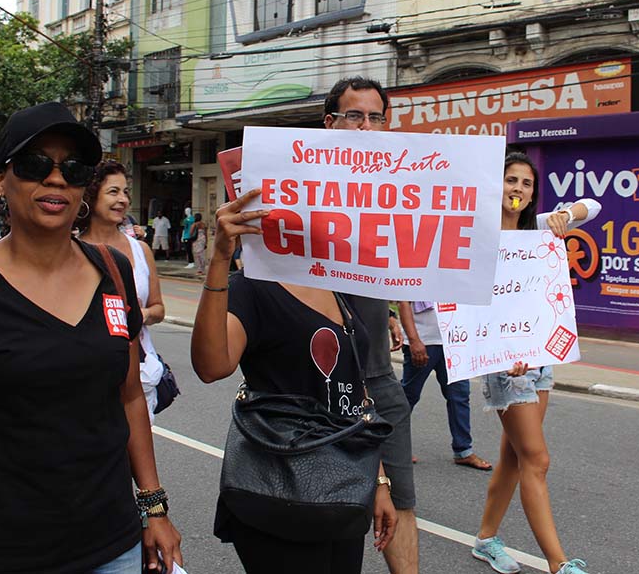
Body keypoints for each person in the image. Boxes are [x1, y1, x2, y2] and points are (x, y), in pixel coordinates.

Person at [0, 102, 182, 573]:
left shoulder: (114, 271)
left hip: (114, 548)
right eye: (34, 164)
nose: (56, 179)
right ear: (1, 179)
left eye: (74, 168)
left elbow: (128, 398)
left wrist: (154, 506)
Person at [191, 186, 397, 573]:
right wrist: (219, 258)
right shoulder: (251, 287)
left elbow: (355, 392)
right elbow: (211, 365)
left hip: (344, 486)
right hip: (278, 489)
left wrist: (379, 480)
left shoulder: (336, 284)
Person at [472, 152, 600, 574]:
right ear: (497, 185)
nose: (518, 189)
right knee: (537, 459)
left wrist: (566, 215)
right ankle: (559, 564)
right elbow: (469, 309)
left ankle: (486, 539)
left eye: (526, 184)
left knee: (514, 456)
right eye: (511, 180)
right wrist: (498, 352)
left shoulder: (538, 229)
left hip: (540, 359)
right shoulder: (477, 237)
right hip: (506, 364)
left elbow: (593, 206)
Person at [323, 77, 418, 574]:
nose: (366, 126)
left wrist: (391, 316)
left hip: (380, 380)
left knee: (400, 502)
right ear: (330, 124)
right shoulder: (305, 192)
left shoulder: (393, 191)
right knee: (331, 508)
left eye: (376, 117)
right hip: (319, 385)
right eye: (354, 115)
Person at [76, 160, 167, 422]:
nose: (123, 200)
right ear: (91, 196)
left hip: (139, 374)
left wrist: (141, 314)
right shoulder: (71, 250)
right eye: (113, 192)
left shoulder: (141, 250)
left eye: (125, 192)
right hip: (86, 375)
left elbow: (158, 308)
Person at [398, 300, 492, 471]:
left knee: (459, 395)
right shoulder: (417, 279)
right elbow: (403, 303)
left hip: (455, 341)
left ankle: (463, 450)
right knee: (408, 396)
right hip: (424, 341)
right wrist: (414, 340)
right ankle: (395, 448)